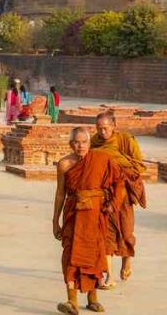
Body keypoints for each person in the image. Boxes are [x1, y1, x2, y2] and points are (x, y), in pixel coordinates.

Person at [54, 127, 124, 314]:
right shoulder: (64, 164)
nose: (80, 146)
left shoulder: (101, 160)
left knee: (94, 255)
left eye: (84, 142)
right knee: (70, 256)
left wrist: (113, 204)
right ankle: (72, 301)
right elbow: (60, 194)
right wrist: (55, 221)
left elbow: (119, 181)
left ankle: (92, 298)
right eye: (76, 142)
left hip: (95, 214)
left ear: (89, 143)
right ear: (71, 144)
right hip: (73, 214)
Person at [91, 113, 147, 285]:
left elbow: (139, 166)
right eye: (99, 128)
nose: (102, 132)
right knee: (106, 234)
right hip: (104, 194)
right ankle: (109, 276)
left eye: (105, 128)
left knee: (126, 231)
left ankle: (126, 261)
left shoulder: (125, 140)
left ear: (114, 125)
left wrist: (118, 171)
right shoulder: (94, 142)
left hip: (123, 194)